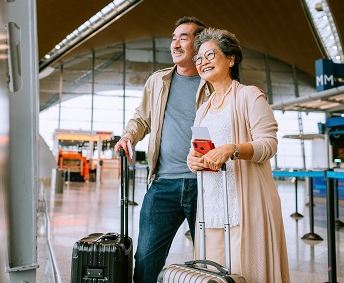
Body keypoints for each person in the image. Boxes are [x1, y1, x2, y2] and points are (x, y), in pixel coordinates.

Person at [186, 27, 291, 282]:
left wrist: (232, 149)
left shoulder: (249, 96)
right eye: (199, 59)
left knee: (247, 274)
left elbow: (268, 144)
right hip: (211, 208)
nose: (203, 62)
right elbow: (199, 149)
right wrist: (193, 160)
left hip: (243, 206)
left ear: (231, 59)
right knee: (213, 275)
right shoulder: (203, 108)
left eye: (210, 55)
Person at [114, 16, 213, 283]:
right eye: (174, 38)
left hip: (205, 185)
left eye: (184, 37)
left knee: (211, 258)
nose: (176, 43)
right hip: (163, 184)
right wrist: (128, 136)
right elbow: (142, 118)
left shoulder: (214, 83)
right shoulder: (158, 81)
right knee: (146, 258)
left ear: (200, 44)